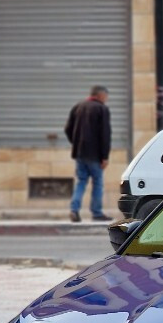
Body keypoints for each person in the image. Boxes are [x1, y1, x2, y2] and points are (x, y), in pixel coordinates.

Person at [65, 85, 113, 222]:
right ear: (100, 95)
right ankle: (97, 212)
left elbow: (68, 129)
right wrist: (105, 156)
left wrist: (76, 143)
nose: (107, 99)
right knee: (97, 182)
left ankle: (74, 210)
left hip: (80, 153)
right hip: (95, 155)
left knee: (81, 181)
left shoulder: (78, 106)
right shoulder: (102, 109)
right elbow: (105, 134)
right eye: (106, 96)